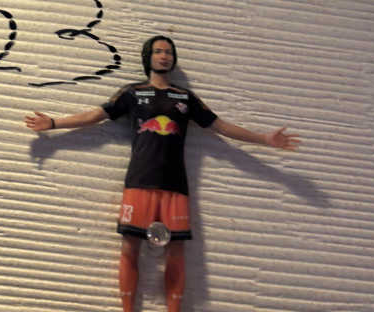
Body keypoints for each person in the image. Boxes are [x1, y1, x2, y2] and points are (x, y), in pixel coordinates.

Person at [24, 35, 300, 312]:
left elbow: (220, 126)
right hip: (139, 182)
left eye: (168, 52)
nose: (164, 56)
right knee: (130, 247)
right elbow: (96, 115)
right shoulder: (132, 93)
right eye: (158, 51)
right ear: (149, 57)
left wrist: (264, 139)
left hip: (175, 185)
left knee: (176, 250)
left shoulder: (185, 97)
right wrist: (54, 123)